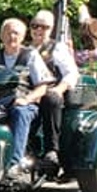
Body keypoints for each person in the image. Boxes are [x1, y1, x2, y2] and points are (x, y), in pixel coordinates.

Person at [0, 18, 56, 178]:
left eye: (16, 33)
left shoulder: (30, 55)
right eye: (8, 32)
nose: (12, 36)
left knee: (19, 111)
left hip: (25, 103)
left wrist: (27, 99)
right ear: (1, 35)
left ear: (22, 36)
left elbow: (43, 86)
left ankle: (14, 164)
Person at [27, 10, 80, 167]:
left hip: (49, 90)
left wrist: (59, 89)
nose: (38, 30)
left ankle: (52, 150)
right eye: (35, 26)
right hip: (26, 91)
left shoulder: (56, 48)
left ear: (51, 29)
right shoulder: (23, 49)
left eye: (44, 27)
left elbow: (71, 73)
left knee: (51, 98)